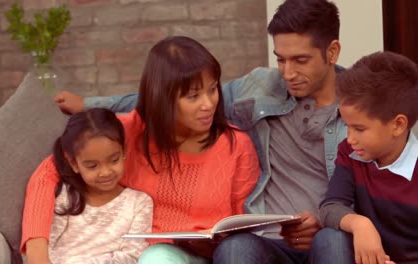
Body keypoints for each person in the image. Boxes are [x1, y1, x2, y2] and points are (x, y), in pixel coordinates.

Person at [54, 0, 351, 262]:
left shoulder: (360, 112)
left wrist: (330, 221)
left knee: (332, 239)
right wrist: (90, 105)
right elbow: (169, 96)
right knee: (236, 248)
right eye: (280, 59)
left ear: (332, 52)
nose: (287, 73)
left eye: (300, 60)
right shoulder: (262, 87)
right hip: (267, 245)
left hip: (326, 236)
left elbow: (368, 188)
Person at [22, 36, 260, 264]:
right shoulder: (126, 133)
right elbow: (47, 174)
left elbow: (243, 226)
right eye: (193, 96)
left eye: (212, 89)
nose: (208, 104)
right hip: (139, 256)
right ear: (162, 98)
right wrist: (38, 256)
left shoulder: (236, 145)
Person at [319, 51, 418, 264]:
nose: (350, 138)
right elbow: (330, 207)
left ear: (398, 125)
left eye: (359, 128)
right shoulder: (351, 153)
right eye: (347, 126)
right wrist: (360, 224)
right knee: (329, 238)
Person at [43, 108, 153, 263]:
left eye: (114, 160)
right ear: (74, 164)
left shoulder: (139, 203)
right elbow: (47, 250)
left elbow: (133, 256)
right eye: (92, 166)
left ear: (123, 152)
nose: (105, 172)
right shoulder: (66, 197)